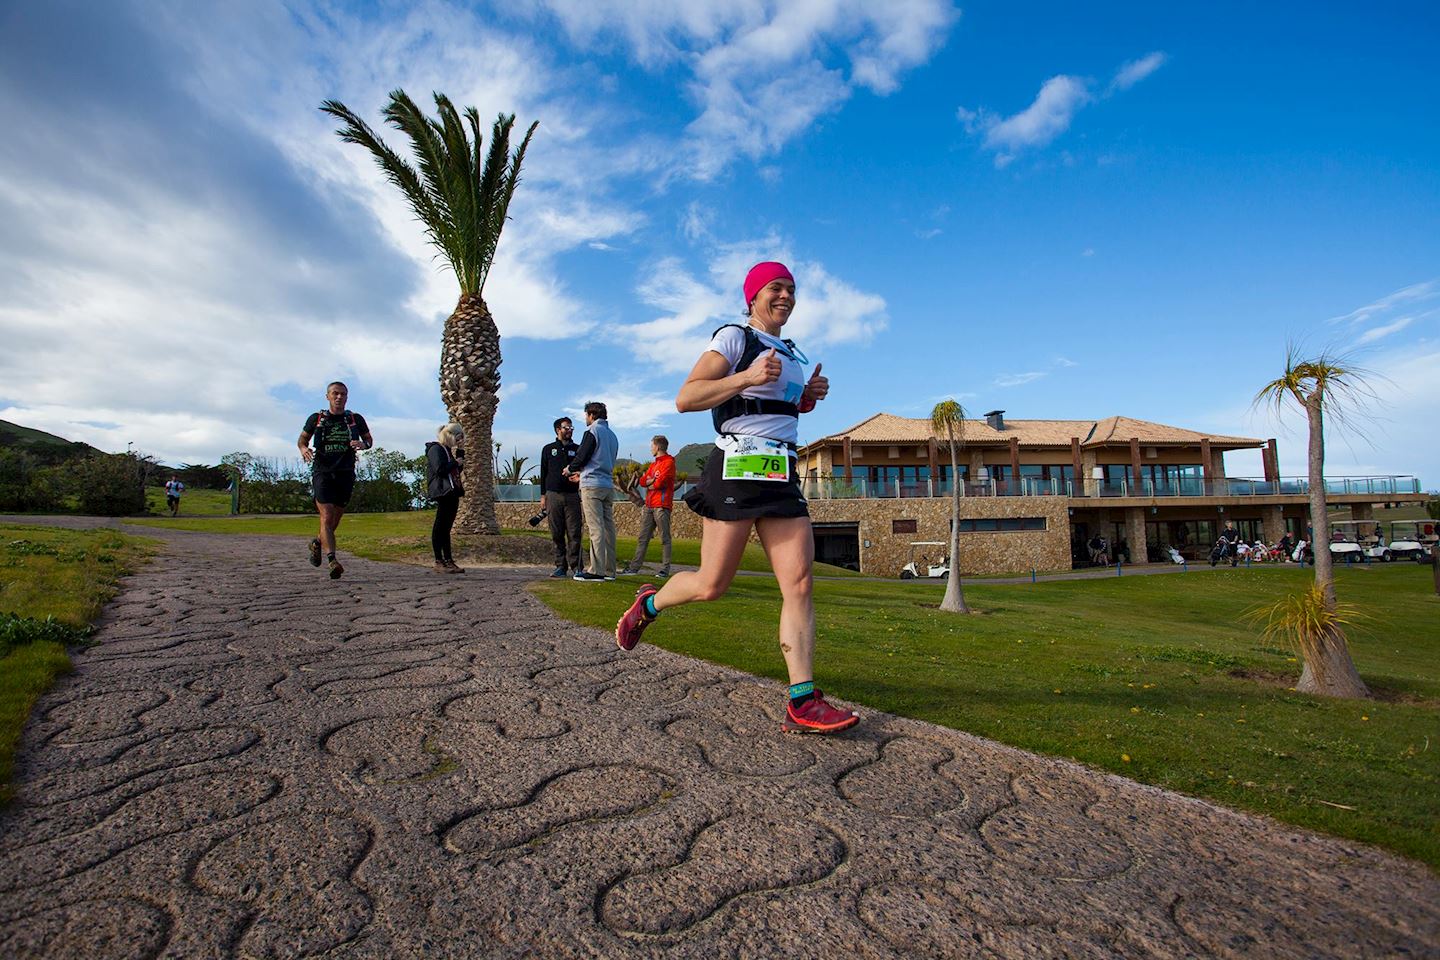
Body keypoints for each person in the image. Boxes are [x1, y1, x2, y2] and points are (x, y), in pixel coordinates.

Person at [612, 260, 859, 735]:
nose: (785, 296)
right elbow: (687, 397)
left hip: (780, 470)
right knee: (711, 584)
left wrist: (805, 397)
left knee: (801, 584)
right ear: (753, 296)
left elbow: (770, 407)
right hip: (737, 469)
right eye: (775, 288)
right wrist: (745, 377)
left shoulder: (787, 350)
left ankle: (802, 701)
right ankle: (648, 605)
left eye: (791, 289)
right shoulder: (734, 337)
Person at [298, 381, 372, 579]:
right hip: (322, 471)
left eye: (343, 394)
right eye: (335, 394)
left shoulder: (355, 419)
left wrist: (362, 445)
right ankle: (332, 560)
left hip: (346, 472)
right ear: (328, 396)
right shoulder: (317, 418)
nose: (339, 397)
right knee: (327, 516)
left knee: (334, 519)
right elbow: (302, 440)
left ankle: (317, 544)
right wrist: (304, 449)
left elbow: (369, 441)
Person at [566, 402, 619, 581]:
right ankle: (610, 570)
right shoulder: (613, 436)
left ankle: (596, 570)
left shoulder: (592, 432)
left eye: (586, 415)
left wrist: (570, 468)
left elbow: (583, 455)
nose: (585, 419)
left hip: (592, 486)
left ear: (591, 414)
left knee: (595, 527)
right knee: (608, 528)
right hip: (607, 485)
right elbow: (602, 460)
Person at [621, 435, 676, 578]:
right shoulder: (653, 465)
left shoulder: (669, 462)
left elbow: (660, 483)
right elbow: (643, 481)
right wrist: (651, 481)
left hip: (661, 506)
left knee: (665, 538)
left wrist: (652, 482)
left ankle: (665, 569)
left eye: (652, 446)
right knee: (643, 538)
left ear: (657, 447)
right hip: (649, 505)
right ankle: (634, 568)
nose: (650, 448)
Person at [539, 417, 583, 579]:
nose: (570, 430)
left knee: (574, 532)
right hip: (553, 495)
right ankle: (560, 566)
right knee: (556, 532)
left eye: (571, 427)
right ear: (558, 429)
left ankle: (577, 567)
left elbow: (583, 469)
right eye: (566, 427)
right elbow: (543, 473)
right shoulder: (548, 449)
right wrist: (543, 496)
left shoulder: (578, 449)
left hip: (572, 496)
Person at [425, 423, 466, 574]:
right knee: (440, 526)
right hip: (443, 491)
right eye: (458, 437)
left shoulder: (448, 451)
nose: (459, 440)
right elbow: (440, 469)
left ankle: (448, 560)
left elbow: (457, 468)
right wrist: (455, 462)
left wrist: (460, 452)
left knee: (447, 527)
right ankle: (439, 560)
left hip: (452, 491)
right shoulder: (436, 449)